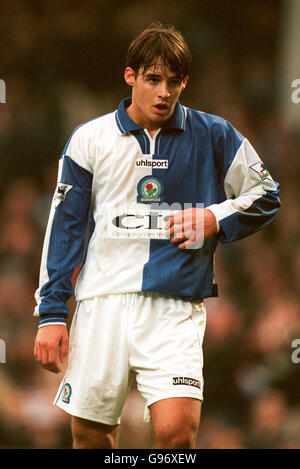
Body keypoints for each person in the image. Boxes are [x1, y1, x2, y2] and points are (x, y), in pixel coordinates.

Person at [33, 22, 281, 449]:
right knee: (90, 437)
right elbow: (65, 228)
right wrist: (52, 312)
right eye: (152, 79)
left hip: (175, 306)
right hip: (102, 303)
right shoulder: (89, 140)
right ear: (130, 76)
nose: (163, 92)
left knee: (176, 434)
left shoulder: (214, 134)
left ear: (185, 82)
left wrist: (215, 218)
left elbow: (267, 193)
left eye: (173, 81)